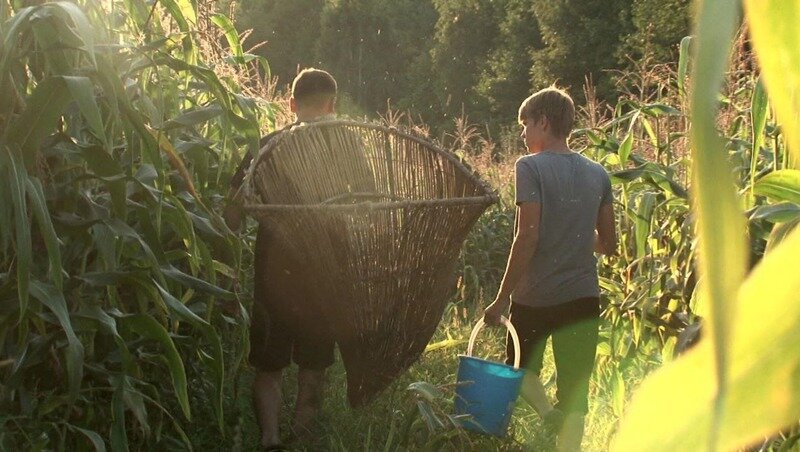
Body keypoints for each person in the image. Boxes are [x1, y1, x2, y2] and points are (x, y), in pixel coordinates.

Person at [483, 86, 617, 451]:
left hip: (534, 297)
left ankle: (546, 415)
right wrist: (575, 238)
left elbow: (526, 236)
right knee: (575, 391)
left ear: (543, 121)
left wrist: (500, 300)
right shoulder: (598, 173)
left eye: (525, 124)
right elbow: (609, 245)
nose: (523, 133)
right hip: (583, 299)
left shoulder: (529, 167)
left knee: (518, 370)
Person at [224, 68, 344, 450]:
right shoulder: (344, 150)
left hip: (273, 273)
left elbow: (231, 212)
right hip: (324, 274)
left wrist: (227, 269)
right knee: (314, 365)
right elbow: (367, 208)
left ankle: (270, 439)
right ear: (332, 105)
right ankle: (302, 439)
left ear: (290, 104)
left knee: (268, 365)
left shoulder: (266, 147)